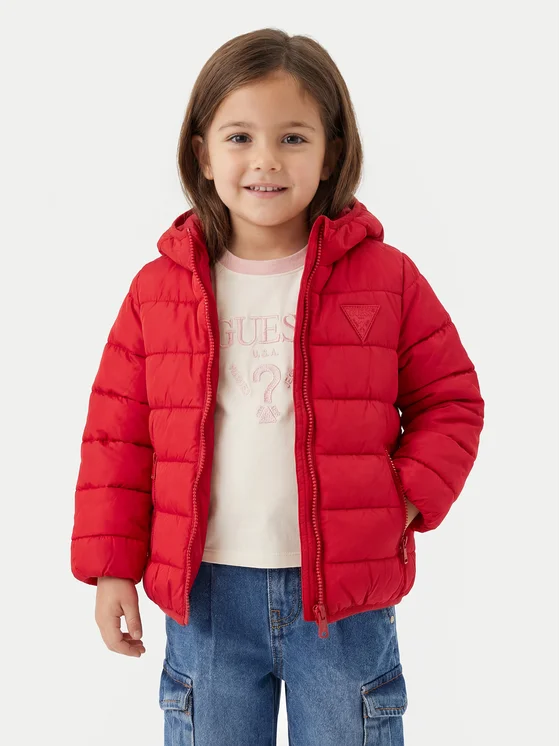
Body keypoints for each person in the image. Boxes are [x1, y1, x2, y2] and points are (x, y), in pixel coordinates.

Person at [70, 27, 485, 745]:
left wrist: (403, 499)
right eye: (240, 137)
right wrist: (112, 571)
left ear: (332, 154)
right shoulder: (158, 290)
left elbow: (451, 400)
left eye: (293, 138)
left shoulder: (385, 279)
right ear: (203, 154)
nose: (265, 159)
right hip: (206, 594)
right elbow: (118, 438)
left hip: (343, 600)